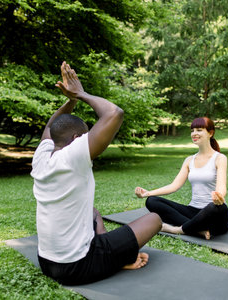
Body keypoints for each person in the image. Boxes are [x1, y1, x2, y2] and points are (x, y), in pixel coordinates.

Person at [31, 61, 162, 285]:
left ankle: (111, 255)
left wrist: (70, 101)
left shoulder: (41, 156)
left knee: (94, 213)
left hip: (46, 261)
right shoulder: (72, 156)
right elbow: (114, 113)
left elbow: (49, 127)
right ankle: (115, 259)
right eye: (84, 137)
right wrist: (80, 94)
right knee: (154, 219)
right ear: (75, 141)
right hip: (77, 267)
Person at [135, 117, 228, 240]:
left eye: (199, 130)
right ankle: (197, 229)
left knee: (216, 207)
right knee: (152, 201)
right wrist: (147, 193)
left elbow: (221, 187)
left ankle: (178, 229)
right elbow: (174, 186)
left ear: (210, 133)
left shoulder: (220, 158)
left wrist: (219, 197)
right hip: (193, 211)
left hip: (214, 215)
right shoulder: (189, 160)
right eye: (192, 130)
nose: (194, 133)